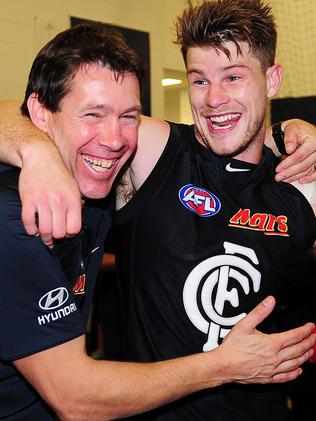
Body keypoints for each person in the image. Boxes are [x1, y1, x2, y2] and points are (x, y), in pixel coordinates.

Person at [2, 21, 315, 421]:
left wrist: (289, 129)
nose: (215, 99)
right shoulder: (150, 152)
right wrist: (35, 151)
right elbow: (20, 113)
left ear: (271, 80)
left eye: (233, 77)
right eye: (199, 81)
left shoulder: (303, 181)